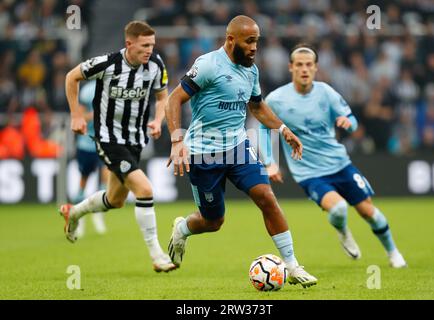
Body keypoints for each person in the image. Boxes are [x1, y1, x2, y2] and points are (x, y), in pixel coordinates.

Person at [165, 15, 318, 288]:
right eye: (249, 41)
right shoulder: (208, 65)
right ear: (231, 39)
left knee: (266, 196)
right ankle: (182, 229)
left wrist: (283, 130)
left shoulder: (251, 70)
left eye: (256, 41)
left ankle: (293, 265)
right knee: (213, 222)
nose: (254, 48)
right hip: (204, 153)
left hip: (237, 147)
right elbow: (175, 99)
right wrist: (177, 141)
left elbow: (257, 107)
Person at [259, 43, 407, 268]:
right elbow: (263, 128)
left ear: (316, 67)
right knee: (338, 208)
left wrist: (348, 123)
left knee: (369, 212)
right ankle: (343, 231)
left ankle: (393, 252)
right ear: (291, 67)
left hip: (340, 164)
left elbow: (352, 120)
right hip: (309, 172)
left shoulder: (326, 92)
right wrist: (270, 163)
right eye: (299, 65)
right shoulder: (277, 99)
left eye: (309, 65)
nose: (304, 69)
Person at [61, 21, 176, 272]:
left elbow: (161, 95)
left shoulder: (156, 65)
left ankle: (75, 213)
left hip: (134, 140)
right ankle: (157, 255)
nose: (150, 50)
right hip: (108, 138)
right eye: (145, 45)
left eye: (152, 45)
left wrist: (158, 121)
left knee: (115, 200)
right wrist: (76, 115)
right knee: (144, 189)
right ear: (129, 44)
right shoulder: (107, 63)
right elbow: (72, 77)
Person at [73, 80, 107, 238]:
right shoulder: (87, 90)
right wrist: (95, 115)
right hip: (87, 142)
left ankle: (98, 214)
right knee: (84, 179)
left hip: (105, 141)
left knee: (105, 176)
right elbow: (79, 117)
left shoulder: (113, 86)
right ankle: (79, 216)